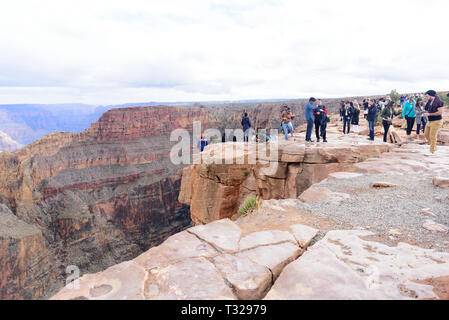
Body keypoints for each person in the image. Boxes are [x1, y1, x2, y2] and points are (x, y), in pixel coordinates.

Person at [423, 90, 444, 155]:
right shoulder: (430, 101)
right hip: (430, 121)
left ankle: (432, 151)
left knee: (432, 136)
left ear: (431, 95)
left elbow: (440, 112)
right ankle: (434, 146)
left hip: (437, 121)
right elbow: (426, 109)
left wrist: (429, 114)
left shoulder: (439, 102)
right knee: (426, 135)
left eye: (427, 96)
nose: (426, 97)